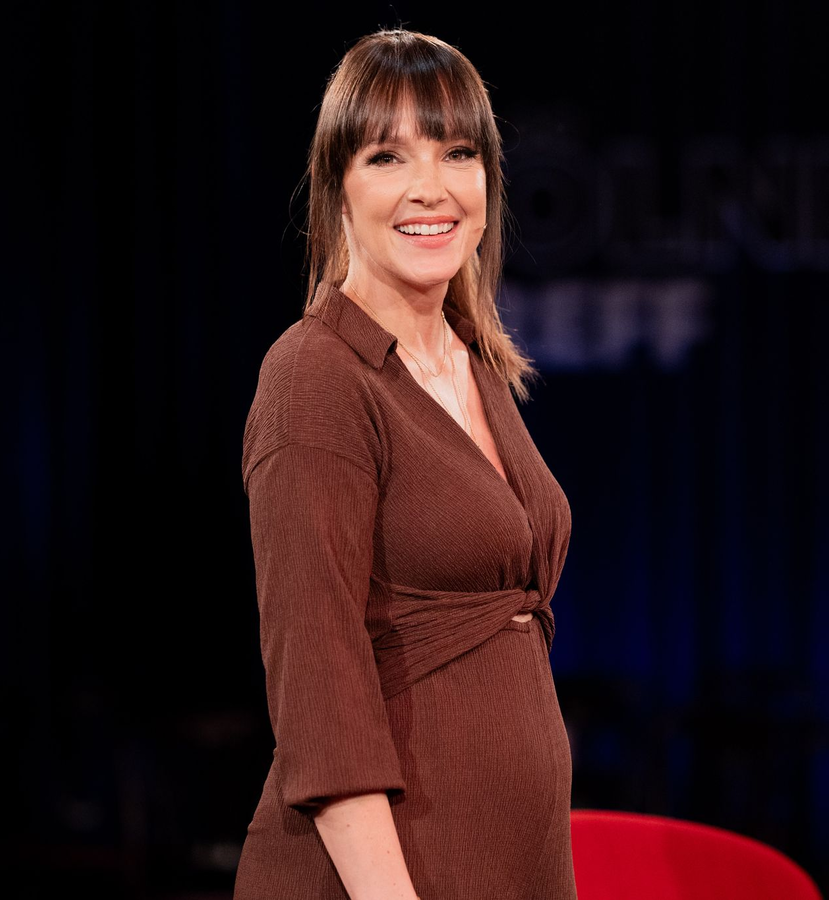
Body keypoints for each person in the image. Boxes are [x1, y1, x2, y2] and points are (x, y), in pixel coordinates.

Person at [233, 28, 576, 900]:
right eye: (387, 157)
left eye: (458, 152)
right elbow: (319, 689)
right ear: (337, 191)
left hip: (509, 864)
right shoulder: (314, 377)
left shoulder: (473, 360)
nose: (432, 187)